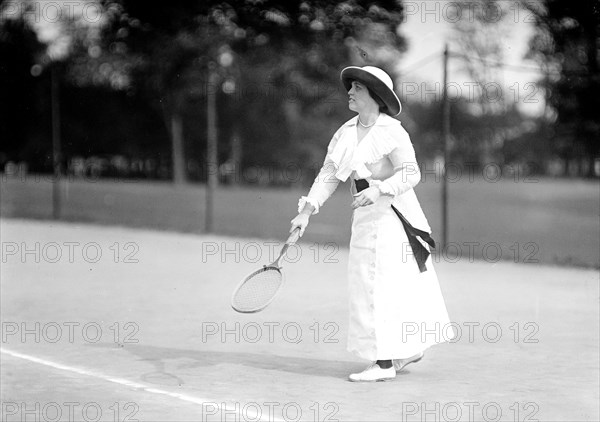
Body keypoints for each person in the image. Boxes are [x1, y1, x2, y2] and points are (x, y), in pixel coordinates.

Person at [290, 66, 454, 382]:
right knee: (368, 283)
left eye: (357, 88)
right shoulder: (344, 132)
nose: (349, 92)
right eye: (350, 87)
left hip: (395, 218)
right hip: (365, 219)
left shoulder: (393, 131)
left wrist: (379, 188)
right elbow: (328, 174)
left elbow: (412, 173)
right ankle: (406, 350)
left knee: (381, 284)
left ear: (374, 94)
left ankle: (383, 364)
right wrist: (307, 211)